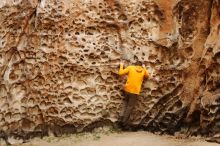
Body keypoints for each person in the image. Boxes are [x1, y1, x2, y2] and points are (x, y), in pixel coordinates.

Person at [118, 61, 150, 128]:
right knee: (129, 107)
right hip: (135, 92)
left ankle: (120, 118)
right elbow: (147, 76)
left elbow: (120, 73)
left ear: (135, 64)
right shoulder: (143, 70)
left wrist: (121, 65)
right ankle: (124, 123)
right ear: (141, 65)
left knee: (125, 104)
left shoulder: (131, 67)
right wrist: (144, 68)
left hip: (127, 89)